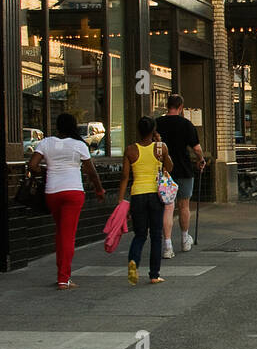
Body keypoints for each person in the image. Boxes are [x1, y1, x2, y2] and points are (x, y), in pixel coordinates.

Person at [29, 112, 106, 289]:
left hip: (53, 192)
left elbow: (32, 165)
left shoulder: (46, 142)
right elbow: (91, 172)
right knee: (68, 235)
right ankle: (64, 278)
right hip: (73, 192)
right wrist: (99, 190)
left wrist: (47, 171)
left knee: (61, 232)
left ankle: (62, 273)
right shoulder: (79, 145)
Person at [119, 116, 174, 284]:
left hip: (137, 195)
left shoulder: (130, 150)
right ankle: (154, 274)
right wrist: (161, 144)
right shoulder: (160, 148)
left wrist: (121, 200)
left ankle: (133, 265)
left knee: (140, 235)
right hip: (155, 195)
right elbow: (170, 167)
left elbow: (125, 177)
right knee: (156, 235)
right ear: (153, 131)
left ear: (138, 130)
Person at [154, 95, 206, 258]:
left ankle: (167, 245)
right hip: (183, 169)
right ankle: (184, 240)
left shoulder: (158, 124)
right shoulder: (186, 124)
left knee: (168, 207)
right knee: (184, 206)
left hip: (164, 172)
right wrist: (201, 160)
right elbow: (196, 149)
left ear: (167, 106)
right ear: (181, 107)